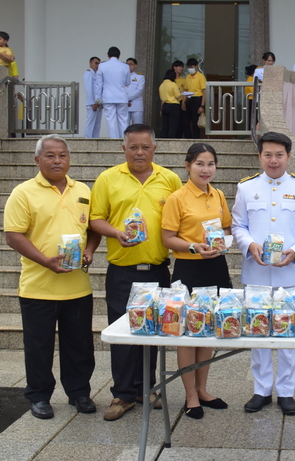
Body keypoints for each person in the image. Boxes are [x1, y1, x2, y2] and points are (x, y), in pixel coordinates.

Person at [3, 135, 101, 419]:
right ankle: (39, 396)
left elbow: (94, 227)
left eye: (62, 155)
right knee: (38, 347)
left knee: (80, 345)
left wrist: (91, 250)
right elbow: (13, 236)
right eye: (50, 156)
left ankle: (79, 392)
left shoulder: (82, 190)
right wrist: (45, 261)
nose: (57, 161)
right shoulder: (23, 193)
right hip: (38, 287)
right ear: (37, 160)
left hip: (77, 287)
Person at [89, 124, 182, 421]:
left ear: (154, 148)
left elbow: (182, 217)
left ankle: (147, 388)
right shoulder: (108, 179)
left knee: (152, 330)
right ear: (123, 148)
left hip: (157, 269)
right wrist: (116, 233)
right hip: (122, 270)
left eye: (145, 147)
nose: (139, 152)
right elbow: (95, 219)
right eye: (133, 147)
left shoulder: (169, 179)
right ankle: (122, 393)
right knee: (123, 331)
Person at [231, 132, 295, 416]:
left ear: (289, 157)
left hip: (288, 274)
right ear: (260, 156)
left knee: (288, 334)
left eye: (279, 155)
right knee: (258, 332)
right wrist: (249, 244)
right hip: (255, 272)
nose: (274, 160)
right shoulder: (246, 188)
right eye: (268, 154)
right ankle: (261, 389)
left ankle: (287, 391)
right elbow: (238, 225)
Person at [161, 143, 231, 420]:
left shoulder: (218, 195)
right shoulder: (177, 198)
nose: (206, 169)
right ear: (188, 165)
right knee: (187, 333)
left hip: (216, 267)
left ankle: (203, 389)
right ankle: (190, 394)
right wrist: (193, 246)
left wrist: (223, 241)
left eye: (211, 164)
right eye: (200, 163)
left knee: (209, 329)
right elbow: (168, 238)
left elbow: (226, 227)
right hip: (188, 270)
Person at [94, 47, 131, 138]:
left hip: (108, 97)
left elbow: (99, 84)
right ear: (119, 55)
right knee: (123, 120)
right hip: (122, 97)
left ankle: (113, 139)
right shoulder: (125, 66)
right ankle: (124, 140)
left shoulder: (102, 66)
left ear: (108, 55)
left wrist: (97, 98)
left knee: (110, 120)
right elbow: (127, 82)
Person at [184, 58, 206, 139]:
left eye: (192, 66)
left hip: (197, 99)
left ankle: (196, 139)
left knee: (195, 122)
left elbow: (204, 91)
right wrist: (183, 102)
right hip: (189, 99)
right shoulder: (187, 76)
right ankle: (188, 138)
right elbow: (186, 90)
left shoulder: (200, 76)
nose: (190, 69)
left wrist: (202, 105)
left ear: (196, 66)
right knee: (185, 122)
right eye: (189, 67)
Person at [159, 69, 182, 139]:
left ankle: (163, 140)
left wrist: (161, 109)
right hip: (173, 106)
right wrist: (181, 94)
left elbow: (162, 98)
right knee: (173, 126)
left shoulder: (161, 85)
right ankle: (171, 141)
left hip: (165, 105)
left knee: (165, 126)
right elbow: (178, 96)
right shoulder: (173, 84)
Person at [83, 57, 102, 138]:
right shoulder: (88, 73)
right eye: (96, 63)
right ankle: (87, 140)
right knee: (90, 124)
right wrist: (93, 102)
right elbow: (89, 89)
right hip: (92, 103)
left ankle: (95, 140)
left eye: (99, 63)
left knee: (97, 125)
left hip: (98, 103)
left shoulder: (97, 74)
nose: (97, 65)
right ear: (90, 63)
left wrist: (99, 102)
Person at [126, 58, 145, 125]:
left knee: (138, 127)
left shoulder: (140, 77)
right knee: (124, 127)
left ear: (135, 66)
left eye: (131, 64)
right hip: (125, 105)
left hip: (136, 105)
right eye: (127, 64)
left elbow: (139, 90)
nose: (129, 66)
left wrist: (127, 98)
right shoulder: (123, 77)